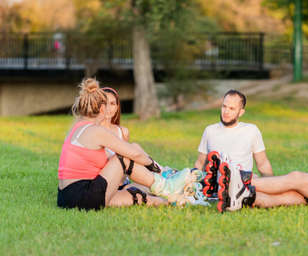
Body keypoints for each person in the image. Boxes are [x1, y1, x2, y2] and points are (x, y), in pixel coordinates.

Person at [57, 78, 201, 211]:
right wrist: (154, 167)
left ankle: (171, 200)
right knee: (123, 157)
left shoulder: (77, 127)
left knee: (131, 195)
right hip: (84, 196)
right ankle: (167, 186)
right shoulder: (96, 130)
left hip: (66, 197)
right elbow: (134, 154)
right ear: (101, 109)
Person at [193, 89, 273, 211]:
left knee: (256, 181)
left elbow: (262, 163)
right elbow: (200, 164)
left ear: (241, 112)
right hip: (218, 186)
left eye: (232, 108)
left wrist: (271, 186)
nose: (226, 111)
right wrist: (193, 186)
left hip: (243, 181)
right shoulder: (210, 131)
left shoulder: (251, 130)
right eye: (224, 106)